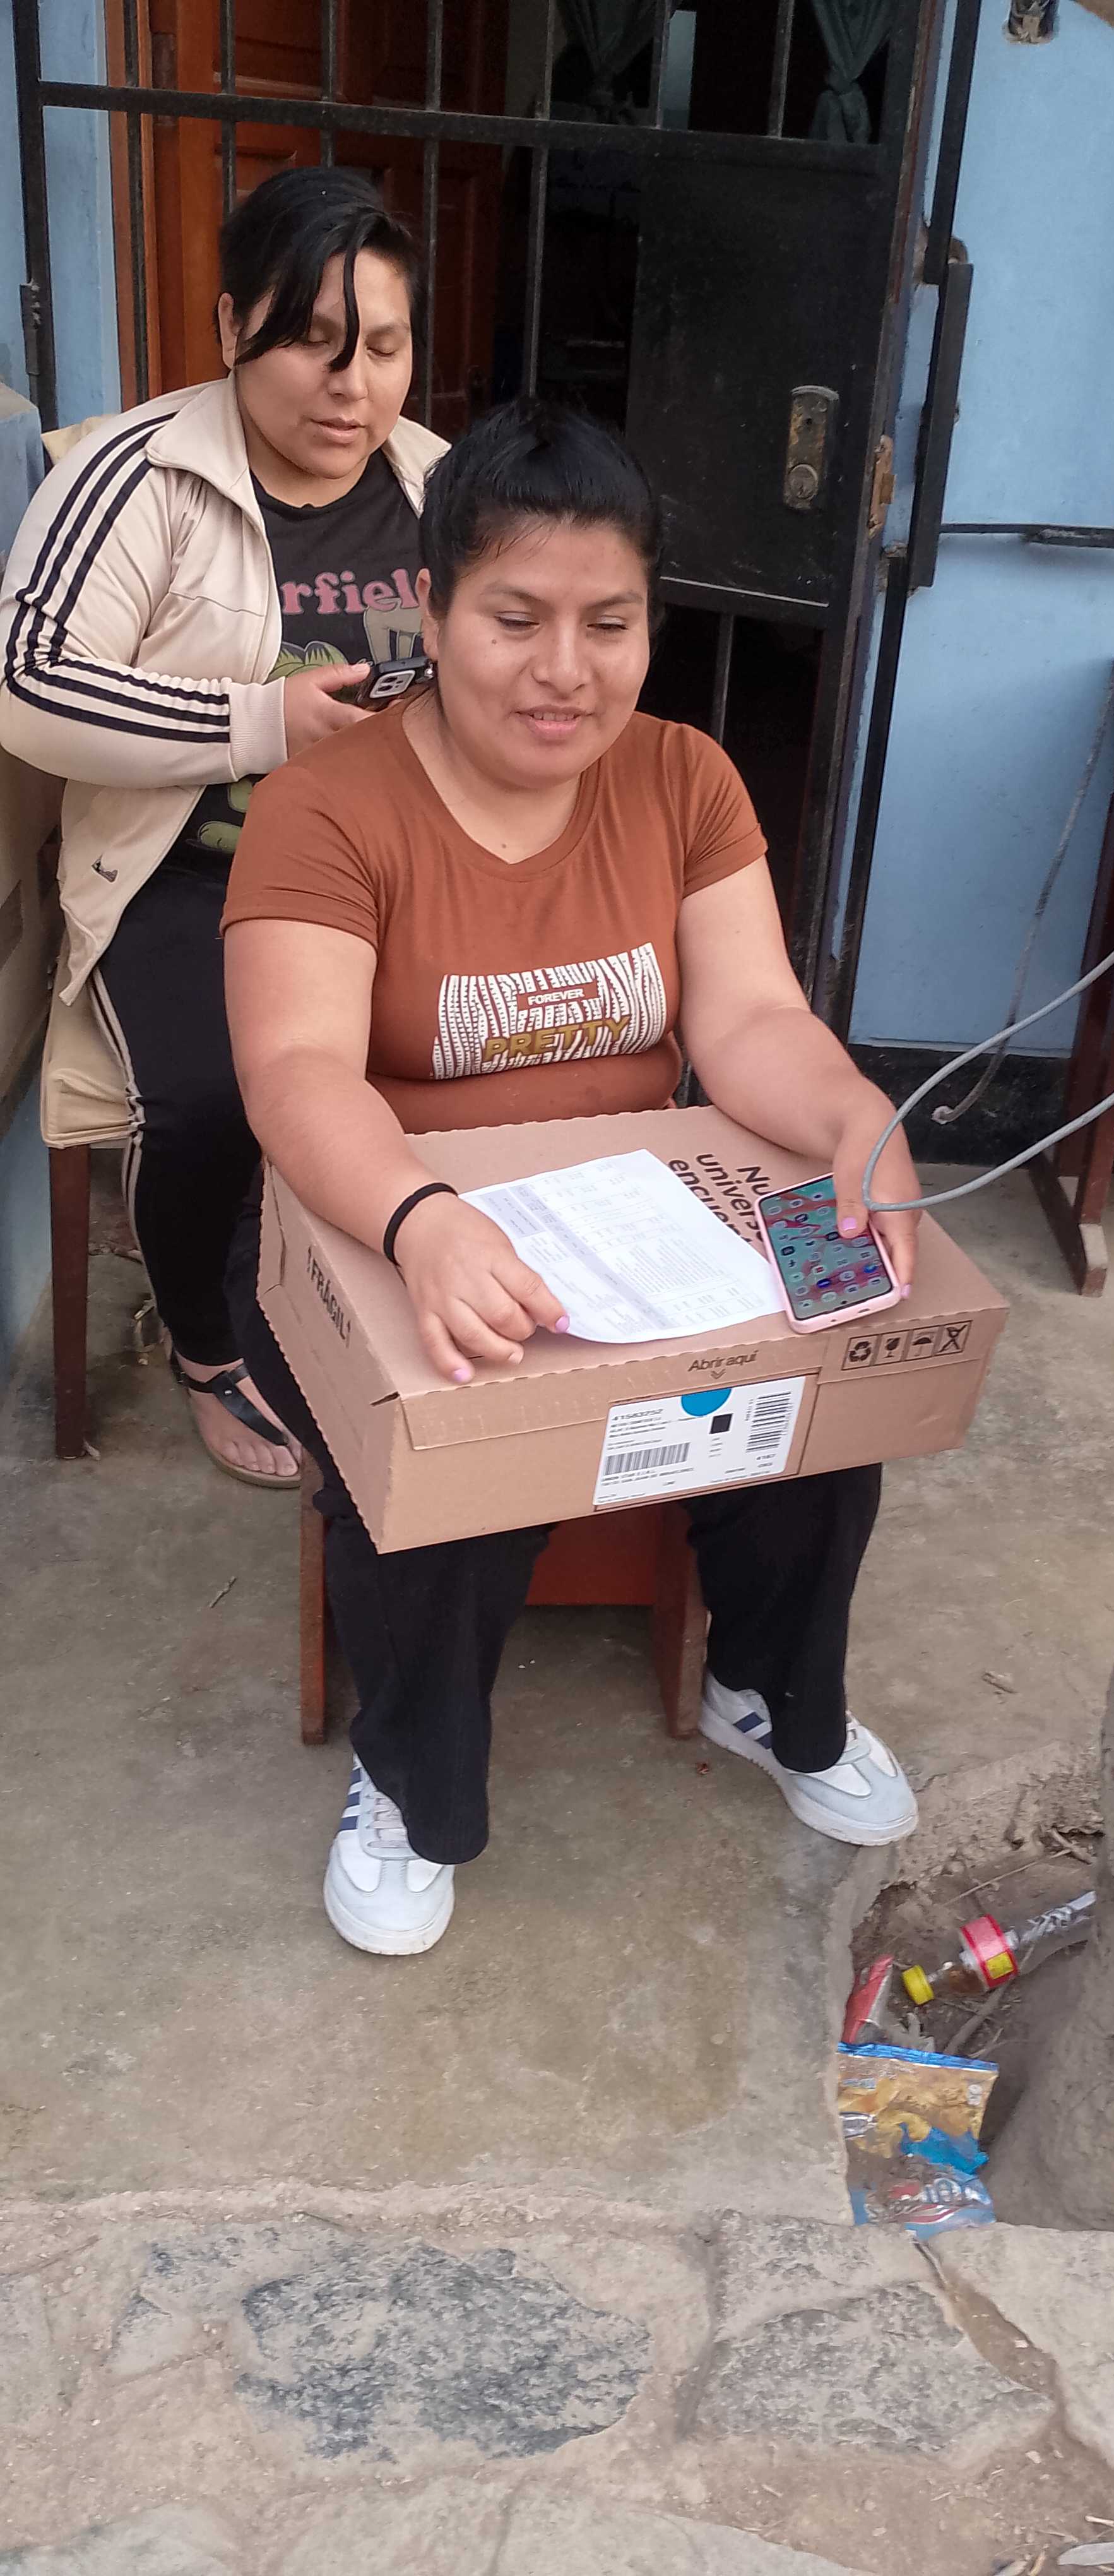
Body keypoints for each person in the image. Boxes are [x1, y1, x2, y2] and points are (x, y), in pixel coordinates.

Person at [222, 399, 923, 1958]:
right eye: (516, 618)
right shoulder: (327, 808)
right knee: (453, 1449)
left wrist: (852, 1117)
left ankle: (766, 1688)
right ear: (432, 611)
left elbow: (749, 1021)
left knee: (836, 1348)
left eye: (610, 624)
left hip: (638, 1214)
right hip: (375, 1213)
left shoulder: (683, 780)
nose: (566, 670)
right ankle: (409, 1779)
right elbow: (299, 1074)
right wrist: (422, 1220)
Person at [0, 168, 445, 1485]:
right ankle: (208, 1344)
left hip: (391, 872)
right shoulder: (137, 478)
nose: (352, 388)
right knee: (210, 1095)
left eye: (383, 348)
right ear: (230, 324)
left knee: (494, 1054)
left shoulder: (441, 482)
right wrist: (262, 724)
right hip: (191, 877)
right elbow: (28, 684)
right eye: (313, 342)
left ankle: (420, 1292)